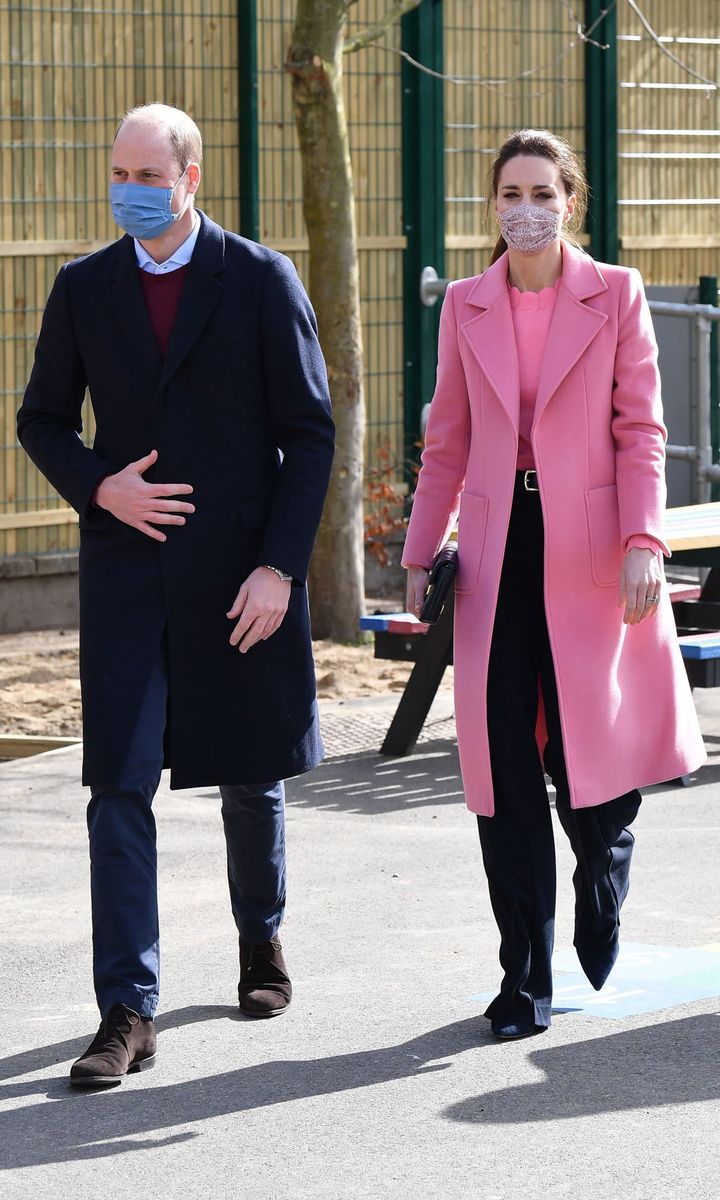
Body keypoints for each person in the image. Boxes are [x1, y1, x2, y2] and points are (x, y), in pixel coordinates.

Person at [18, 103, 335, 1085]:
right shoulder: (83, 289)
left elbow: (311, 431)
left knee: (251, 771)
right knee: (117, 785)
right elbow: (41, 420)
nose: (128, 189)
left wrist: (280, 568)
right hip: (124, 574)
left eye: (147, 174)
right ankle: (127, 1008)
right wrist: (98, 484)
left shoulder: (260, 279)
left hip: (239, 570)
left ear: (190, 178)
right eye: (119, 171)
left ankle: (262, 942)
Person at [403, 128, 706, 1041]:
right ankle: (522, 977)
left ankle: (603, 871)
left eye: (541, 190)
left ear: (569, 200)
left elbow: (641, 428)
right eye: (508, 193)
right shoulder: (466, 304)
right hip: (498, 556)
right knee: (501, 767)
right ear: (491, 206)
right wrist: (421, 553)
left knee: (587, 760)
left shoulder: (615, 293)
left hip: (591, 550)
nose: (523, 208)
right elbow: (447, 441)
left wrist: (644, 538)